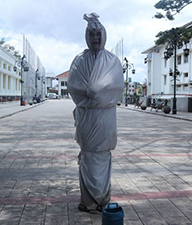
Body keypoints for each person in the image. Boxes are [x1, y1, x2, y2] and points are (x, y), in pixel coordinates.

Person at [67, 13, 124, 213]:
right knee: (88, 159)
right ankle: (88, 200)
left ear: (104, 36)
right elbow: (73, 87)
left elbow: (116, 87)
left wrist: (97, 92)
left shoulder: (112, 61)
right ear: (86, 37)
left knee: (102, 158)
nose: (95, 38)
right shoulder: (79, 60)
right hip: (86, 117)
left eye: (98, 34)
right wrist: (89, 92)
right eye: (92, 35)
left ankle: (103, 200)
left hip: (105, 118)